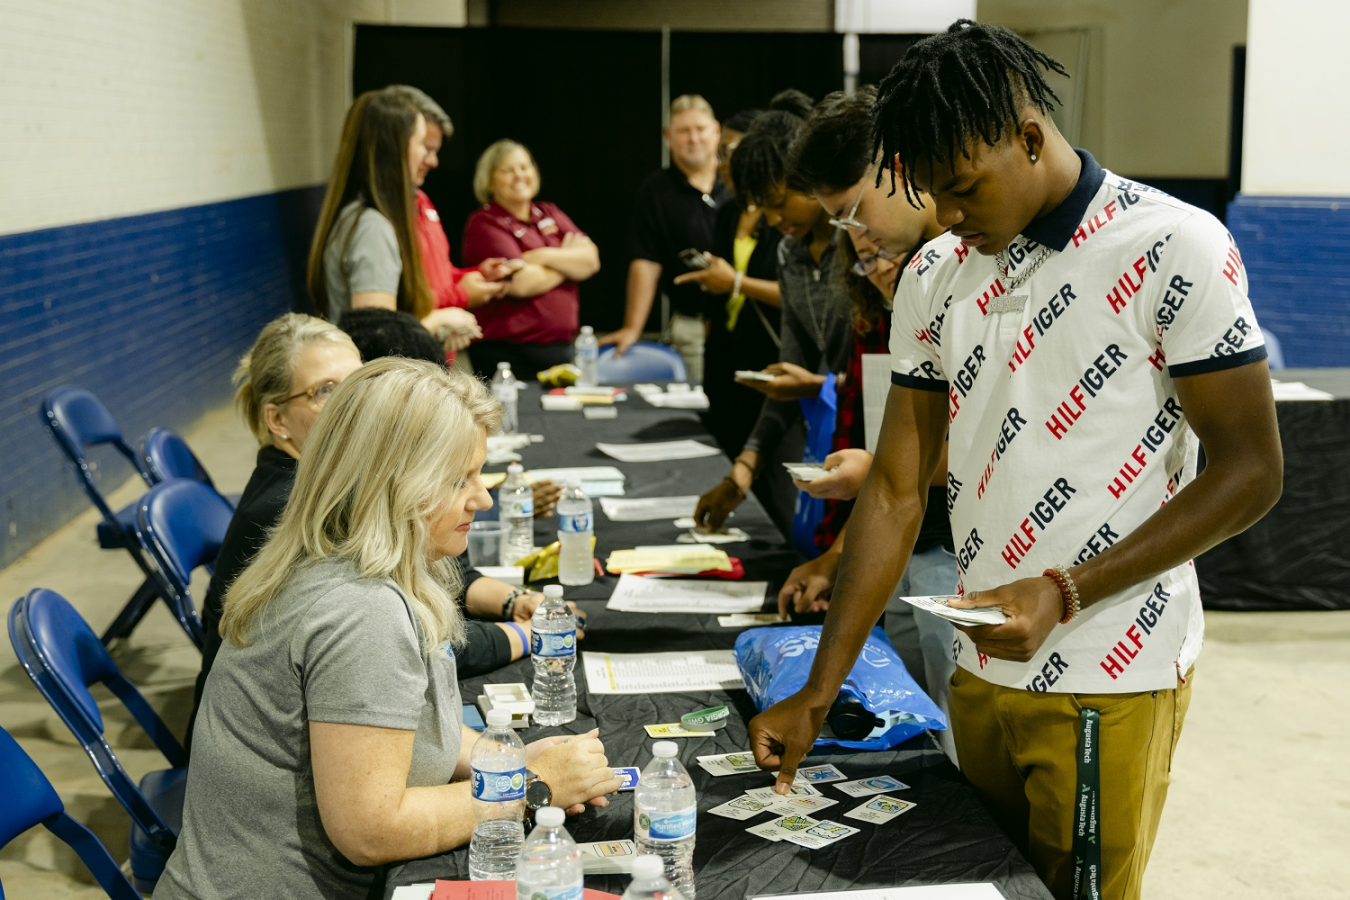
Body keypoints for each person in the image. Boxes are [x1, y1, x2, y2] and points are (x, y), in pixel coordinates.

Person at [749, 21, 1282, 900]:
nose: (950, 217)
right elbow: (893, 489)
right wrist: (821, 685)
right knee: (982, 884)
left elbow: (1252, 471)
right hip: (979, 662)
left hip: (1112, 664)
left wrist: (1066, 588)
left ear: (1029, 138)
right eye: (933, 197)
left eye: (961, 188)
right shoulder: (936, 274)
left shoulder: (1173, 245)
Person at [157, 358, 622, 900]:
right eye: (458, 480)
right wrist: (534, 789)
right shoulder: (361, 611)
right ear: (392, 484)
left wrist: (515, 760)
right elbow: (370, 831)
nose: (484, 498)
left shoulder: (353, 559)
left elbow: (414, 734)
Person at [184, 314, 557, 751]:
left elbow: (439, 587)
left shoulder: (341, 497)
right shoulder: (310, 527)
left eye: (357, 382)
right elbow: (369, 818)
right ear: (277, 419)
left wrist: (512, 602)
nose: (350, 402)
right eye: (326, 390)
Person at [772, 86, 958, 755]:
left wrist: (877, 470)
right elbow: (898, 474)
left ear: (899, 166)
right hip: (914, 549)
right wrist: (836, 555)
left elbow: (993, 448)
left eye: (854, 215)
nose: (860, 244)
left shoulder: (967, 279)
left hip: (963, 562)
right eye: (844, 232)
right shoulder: (897, 301)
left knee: (959, 740)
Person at [693, 91, 853, 542]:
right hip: (829, 439)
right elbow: (789, 371)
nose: (775, 217)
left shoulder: (861, 247)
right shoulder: (791, 253)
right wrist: (742, 471)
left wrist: (816, 385)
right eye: (762, 206)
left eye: (779, 200)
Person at [306, 88, 480, 356]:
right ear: (395, 148)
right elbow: (376, 340)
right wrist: (437, 321)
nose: (430, 160)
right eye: (422, 144)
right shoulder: (372, 227)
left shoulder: (361, 217)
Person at [676, 108, 784, 457]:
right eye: (720, 153)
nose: (722, 163)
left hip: (769, 366)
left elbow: (800, 296)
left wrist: (735, 281)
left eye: (730, 153)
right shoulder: (728, 211)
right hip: (724, 365)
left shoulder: (785, 216)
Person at [600, 95, 729, 381]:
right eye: (683, 131)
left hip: (742, 321)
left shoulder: (736, 182)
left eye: (700, 129)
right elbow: (645, 261)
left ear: (716, 131)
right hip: (691, 326)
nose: (693, 138)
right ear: (668, 137)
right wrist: (632, 327)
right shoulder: (656, 191)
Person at [387, 85, 514, 363]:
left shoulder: (421, 199)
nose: (433, 161)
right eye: (425, 148)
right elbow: (391, 309)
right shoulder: (382, 216)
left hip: (438, 357)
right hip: (407, 363)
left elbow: (436, 274)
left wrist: (474, 275)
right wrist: (461, 293)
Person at [461, 139, 601, 380]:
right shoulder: (485, 222)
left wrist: (542, 256)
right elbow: (521, 283)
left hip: (560, 350)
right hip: (508, 356)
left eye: (524, 167)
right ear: (489, 180)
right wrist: (568, 264)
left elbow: (591, 261)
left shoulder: (549, 212)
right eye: (507, 170)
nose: (519, 175)